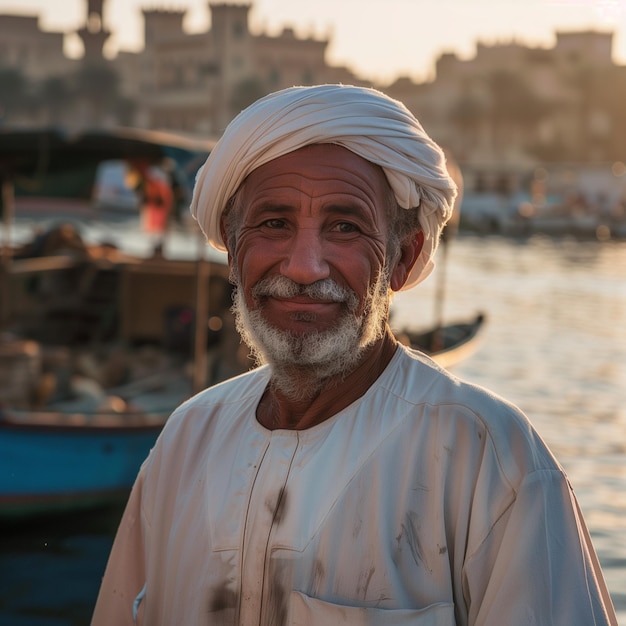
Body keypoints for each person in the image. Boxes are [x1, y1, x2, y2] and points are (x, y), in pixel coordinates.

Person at [91, 84, 617, 626]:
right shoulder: (186, 439)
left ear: (402, 258)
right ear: (231, 243)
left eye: (345, 227)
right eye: (274, 224)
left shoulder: (490, 458)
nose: (303, 267)